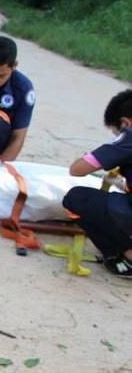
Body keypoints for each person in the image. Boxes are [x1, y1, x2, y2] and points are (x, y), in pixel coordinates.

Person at [63, 89, 132, 278]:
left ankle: (126, 257)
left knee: (76, 199)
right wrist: (118, 182)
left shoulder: (129, 137)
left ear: (125, 123)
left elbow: (77, 169)